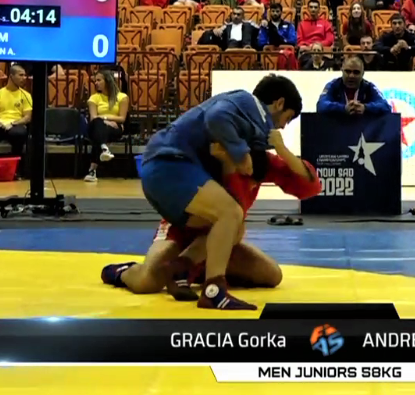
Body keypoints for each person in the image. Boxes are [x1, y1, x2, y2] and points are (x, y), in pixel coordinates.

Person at [102, 75, 302, 310]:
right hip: (170, 163)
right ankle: (213, 291)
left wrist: (267, 151)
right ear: (279, 103)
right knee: (230, 214)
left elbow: (307, 182)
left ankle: (185, 270)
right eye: (287, 118)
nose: (282, 127)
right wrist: (240, 154)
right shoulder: (249, 106)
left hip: (179, 182)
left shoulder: (249, 127)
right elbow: (216, 117)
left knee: (242, 236)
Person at [103, 139, 321, 300]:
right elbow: (227, 209)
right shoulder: (210, 155)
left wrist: (282, 149)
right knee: (147, 282)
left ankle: (192, 269)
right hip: (181, 231)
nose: (251, 184)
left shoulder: (263, 159)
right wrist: (227, 167)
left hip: (219, 240)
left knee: (271, 275)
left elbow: (311, 188)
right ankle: (120, 272)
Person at [85, 70, 129, 182]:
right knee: (97, 125)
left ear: (108, 81)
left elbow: (122, 118)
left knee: (97, 135)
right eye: (95, 81)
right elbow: (93, 118)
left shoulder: (122, 97)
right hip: (96, 126)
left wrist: (104, 118)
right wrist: (105, 121)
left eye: (99, 80)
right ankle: (104, 148)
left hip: (115, 129)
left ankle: (92, 170)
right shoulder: (93, 98)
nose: (96, 83)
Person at [316, 55, 391, 115]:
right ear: (342, 71)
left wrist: (365, 108)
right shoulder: (333, 85)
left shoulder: (369, 87)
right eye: (348, 71)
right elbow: (321, 106)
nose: (351, 76)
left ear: (363, 73)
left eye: (356, 72)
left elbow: (386, 107)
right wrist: (343, 108)